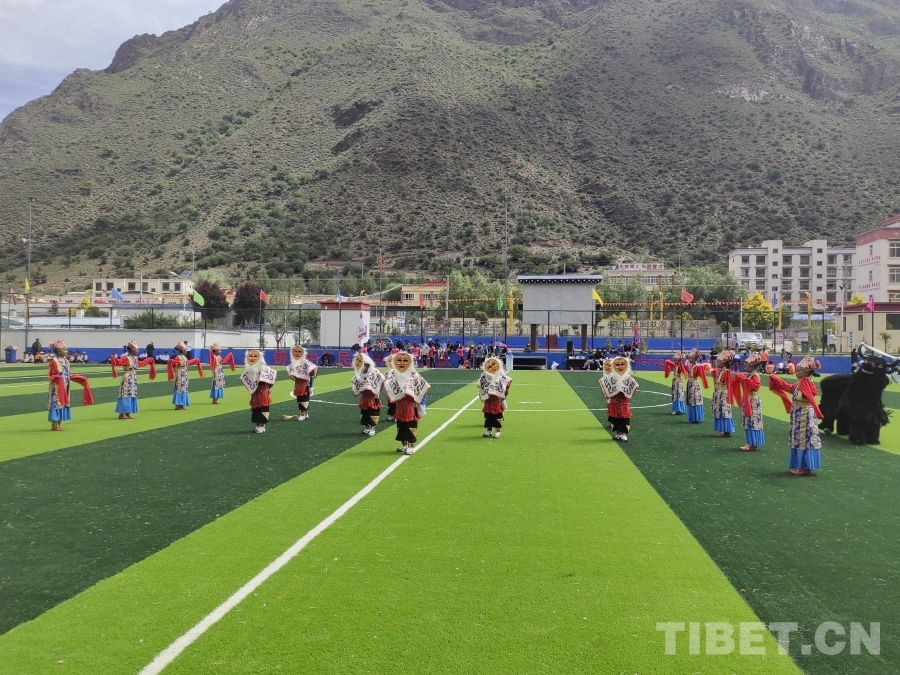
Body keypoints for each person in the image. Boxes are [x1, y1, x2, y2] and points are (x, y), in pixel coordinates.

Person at [769, 355, 823, 476]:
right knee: (802, 438)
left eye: (798, 370)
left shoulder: (804, 382)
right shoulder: (801, 382)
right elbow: (789, 388)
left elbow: (810, 397)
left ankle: (804, 466)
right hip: (800, 413)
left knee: (802, 439)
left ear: (805, 372)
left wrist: (818, 411)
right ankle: (805, 466)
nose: (796, 372)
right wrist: (775, 379)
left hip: (803, 414)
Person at [383, 351, 430, 455]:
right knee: (400, 426)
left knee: (410, 426)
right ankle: (404, 445)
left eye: (405, 360)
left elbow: (423, 389)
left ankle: (411, 446)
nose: (402, 363)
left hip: (411, 406)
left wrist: (421, 405)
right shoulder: (393, 375)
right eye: (399, 360)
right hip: (399, 406)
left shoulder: (415, 375)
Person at [46, 339, 93, 431]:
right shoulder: (54, 361)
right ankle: (54, 424)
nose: (66, 351)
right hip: (57, 386)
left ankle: (59, 422)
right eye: (64, 350)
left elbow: (66, 373)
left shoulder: (66, 361)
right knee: (56, 403)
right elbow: (51, 375)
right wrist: (58, 379)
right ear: (58, 351)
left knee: (63, 402)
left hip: (65, 385)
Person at [110, 340, 156, 419]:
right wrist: (113, 359)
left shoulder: (135, 358)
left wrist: (149, 360)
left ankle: (128, 412)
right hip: (127, 377)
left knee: (132, 394)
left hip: (133, 378)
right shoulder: (126, 358)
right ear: (132, 350)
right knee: (125, 394)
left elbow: (141, 363)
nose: (137, 351)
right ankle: (122, 413)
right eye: (136, 350)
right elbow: (118, 362)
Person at [598, 355, 639, 442]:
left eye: (622, 364)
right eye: (617, 365)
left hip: (623, 403)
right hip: (614, 402)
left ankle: (623, 435)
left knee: (623, 418)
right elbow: (605, 384)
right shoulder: (611, 376)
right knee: (614, 418)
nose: (620, 367)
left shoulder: (628, 377)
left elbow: (633, 387)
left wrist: (631, 381)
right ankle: (618, 434)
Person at [241, 349, 276, 434]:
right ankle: (258, 425)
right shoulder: (249, 370)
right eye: (250, 356)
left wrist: (265, 387)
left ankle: (262, 426)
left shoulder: (265, 369)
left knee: (263, 407)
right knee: (255, 408)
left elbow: (272, 378)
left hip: (262, 392)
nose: (252, 358)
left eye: (255, 356)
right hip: (254, 394)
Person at [735, 353, 765, 452]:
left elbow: (754, 385)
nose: (745, 367)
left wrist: (744, 380)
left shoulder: (755, 376)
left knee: (753, 421)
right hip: (748, 399)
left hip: (753, 400)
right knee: (748, 421)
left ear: (752, 366)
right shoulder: (751, 375)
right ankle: (750, 442)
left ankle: (753, 443)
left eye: (746, 366)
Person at [351, 352, 385, 437]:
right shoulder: (361, 372)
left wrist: (377, 391)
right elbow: (357, 381)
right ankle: (367, 428)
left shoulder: (374, 371)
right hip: (365, 397)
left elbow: (381, 380)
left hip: (373, 397)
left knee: (373, 413)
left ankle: (372, 429)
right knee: (364, 413)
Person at [478, 356, 512, 438]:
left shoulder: (500, 374)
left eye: (493, 364)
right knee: (488, 415)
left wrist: (504, 393)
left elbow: (506, 382)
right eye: (489, 365)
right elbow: (481, 384)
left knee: (497, 414)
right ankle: (489, 431)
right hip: (488, 398)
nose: (492, 367)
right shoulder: (484, 375)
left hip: (497, 398)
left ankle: (498, 432)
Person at [167, 342, 204, 410]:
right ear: (183, 351)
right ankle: (177, 404)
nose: (186, 351)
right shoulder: (178, 358)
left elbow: (187, 363)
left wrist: (195, 360)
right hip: (180, 373)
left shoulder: (185, 358)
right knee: (179, 388)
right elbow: (175, 365)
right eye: (185, 350)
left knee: (184, 388)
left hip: (184, 374)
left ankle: (181, 404)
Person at [286, 344, 317, 421]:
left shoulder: (305, 362)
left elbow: (313, 369)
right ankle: (305, 412)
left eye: (299, 351)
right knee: (299, 398)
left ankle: (303, 413)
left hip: (305, 383)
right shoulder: (293, 363)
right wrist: (291, 375)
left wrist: (312, 381)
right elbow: (290, 371)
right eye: (295, 351)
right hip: (297, 384)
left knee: (304, 398)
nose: (297, 353)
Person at [711, 350, 738, 438]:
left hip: (723, 393)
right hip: (719, 392)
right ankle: (723, 429)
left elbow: (727, 383)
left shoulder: (726, 371)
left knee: (724, 411)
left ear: (723, 363)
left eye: (719, 362)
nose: (717, 363)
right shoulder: (721, 371)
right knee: (720, 411)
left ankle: (727, 431)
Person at [685, 348, 708, 423]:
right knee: (691, 400)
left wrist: (705, 384)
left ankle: (695, 418)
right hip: (691, 384)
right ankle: (692, 418)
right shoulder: (692, 366)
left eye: (691, 358)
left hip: (694, 384)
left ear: (694, 358)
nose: (689, 359)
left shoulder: (696, 366)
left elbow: (702, 375)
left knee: (694, 400)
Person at [664, 351, 688, 415]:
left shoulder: (680, 366)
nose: (674, 360)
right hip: (675, 381)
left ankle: (679, 409)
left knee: (677, 395)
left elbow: (684, 371)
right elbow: (671, 364)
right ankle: (678, 409)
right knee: (676, 395)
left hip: (678, 382)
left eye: (675, 359)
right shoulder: (676, 365)